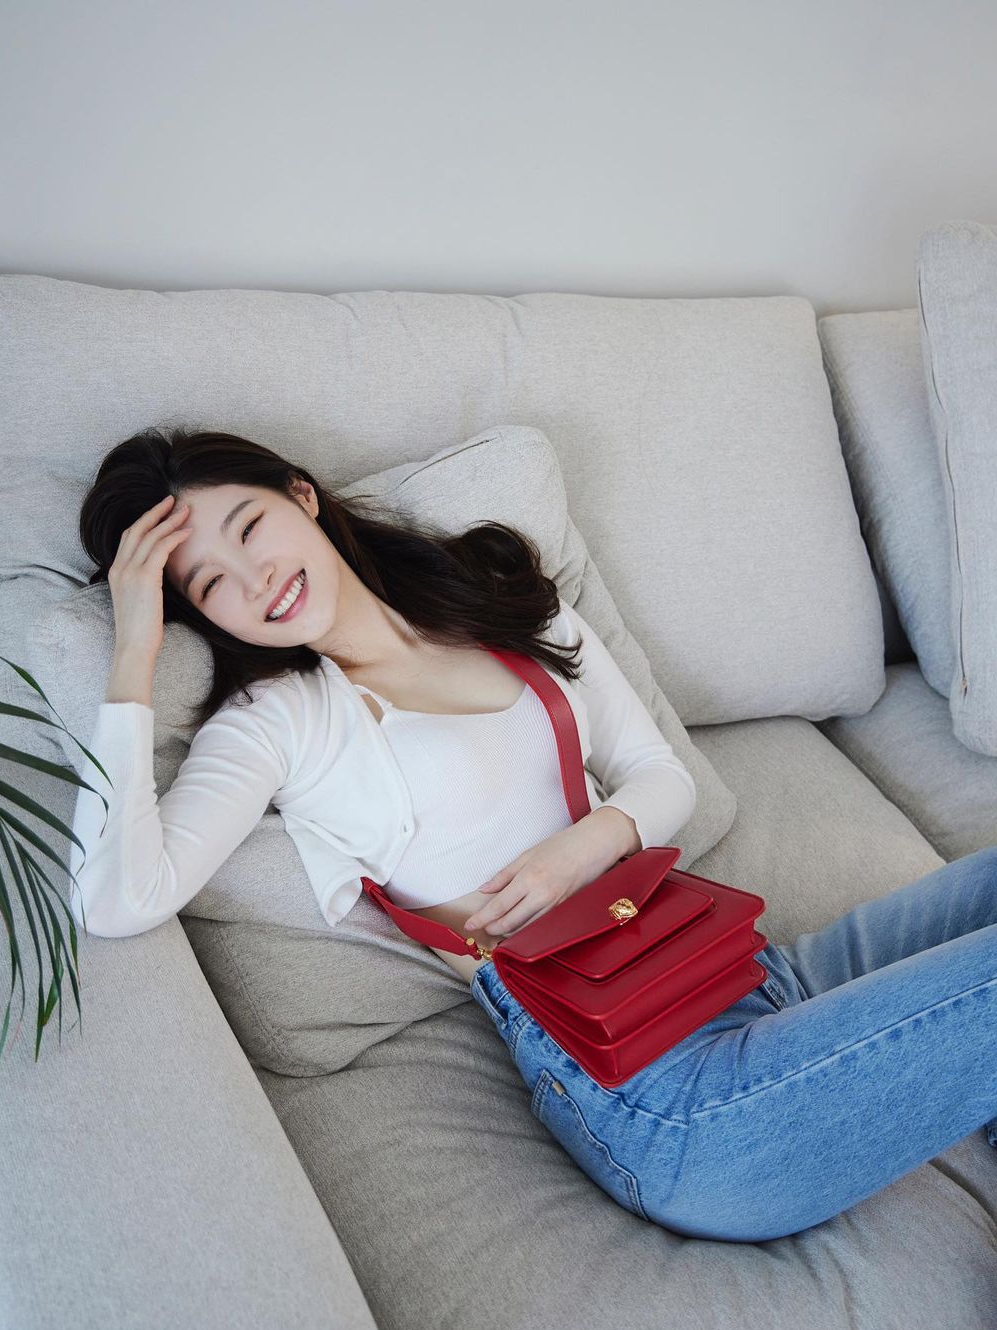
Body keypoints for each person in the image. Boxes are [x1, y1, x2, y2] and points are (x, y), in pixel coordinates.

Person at [71, 424, 997, 1244]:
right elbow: (118, 898)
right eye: (209, 584)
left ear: (301, 497)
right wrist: (132, 652)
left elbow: (662, 777)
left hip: (751, 979)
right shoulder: (277, 725)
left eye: (249, 528)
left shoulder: (497, 595)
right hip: (661, 1106)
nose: (255, 578)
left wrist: (585, 846)